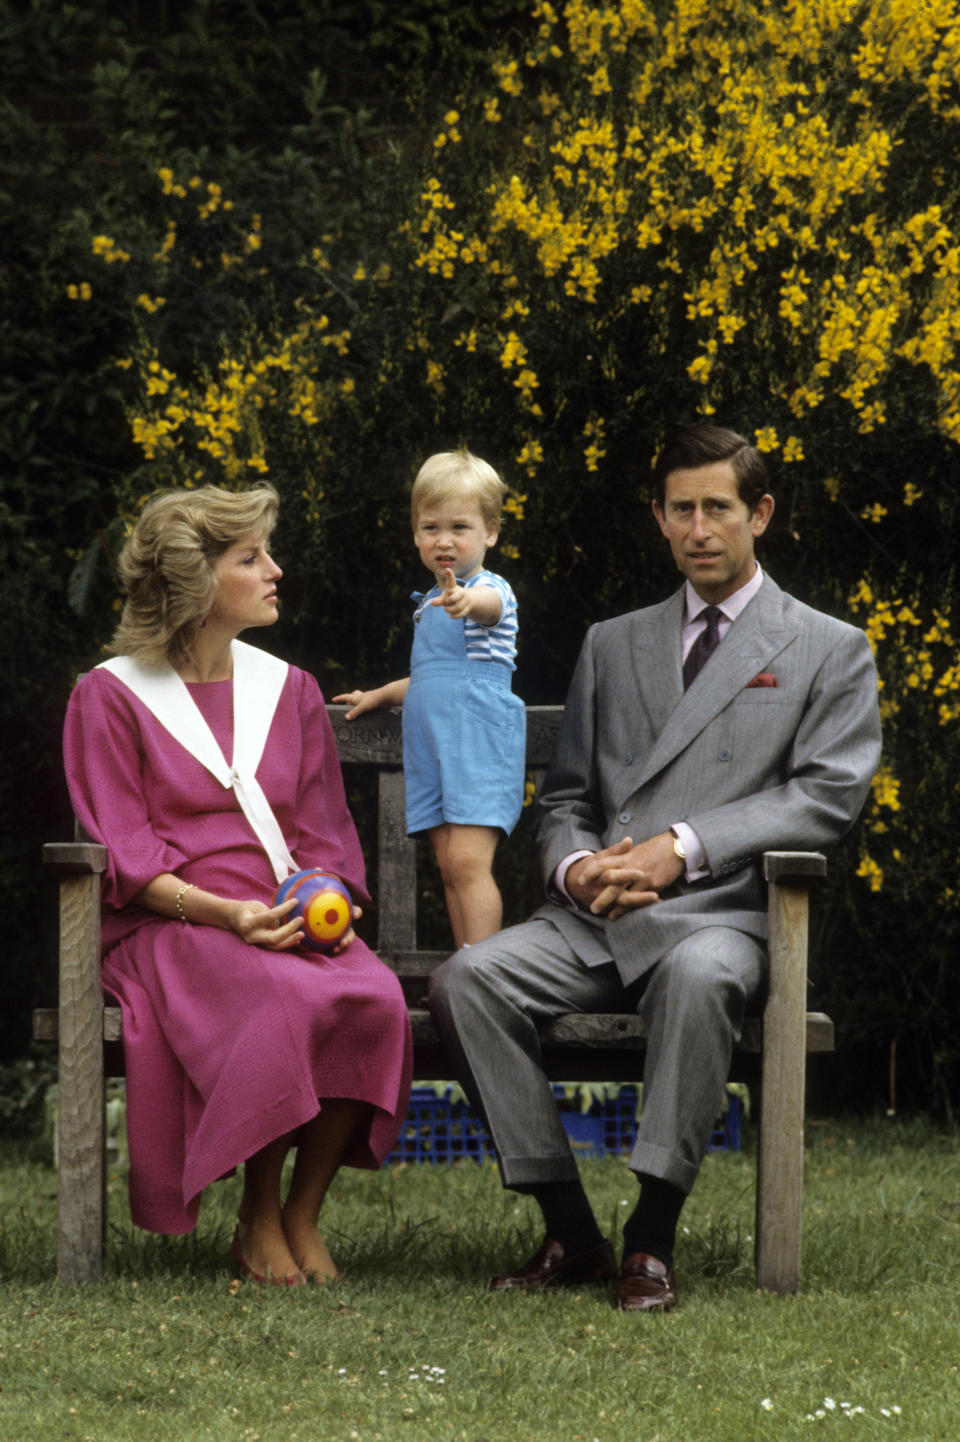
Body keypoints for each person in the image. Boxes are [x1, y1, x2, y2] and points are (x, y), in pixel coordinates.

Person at [428, 424, 882, 1312]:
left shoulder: (828, 646)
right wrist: (577, 871)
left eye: (719, 508)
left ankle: (650, 1240)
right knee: (467, 980)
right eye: (683, 509)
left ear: (760, 514)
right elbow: (564, 801)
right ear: (660, 518)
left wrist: (680, 848)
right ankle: (571, 1229)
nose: (700, 528)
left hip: (723, 917)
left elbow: (826, 795)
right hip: (597, 917)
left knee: (702, 976)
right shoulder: (614, 641)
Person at [63, 483, 412, 1286]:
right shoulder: (110, 696)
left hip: (284, 910)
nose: (275, 570)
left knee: (374, 996)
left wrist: (327, 899)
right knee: (279, 999)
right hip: (174, 923)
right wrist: (227, 914)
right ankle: (257, 1214)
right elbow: (127, 848)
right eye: (250, 558)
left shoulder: (286, 689)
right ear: (195, 580)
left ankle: (299, 1212)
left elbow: (324, 828)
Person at [334, 450, 526, 948]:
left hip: (475, 738)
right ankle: (468, 962)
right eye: (430, 527)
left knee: (468, 862)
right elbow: (429, 677)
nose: (444, 540)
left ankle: (483, 969)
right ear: (416, 534)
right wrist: (379, 694)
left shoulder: (488, 589)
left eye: (460, 527)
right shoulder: (428, 603)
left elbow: (488, 610)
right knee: (448, 865)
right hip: (435, 745)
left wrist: (465, 601)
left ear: (491, 532)